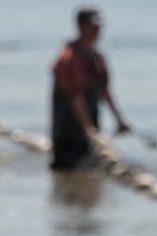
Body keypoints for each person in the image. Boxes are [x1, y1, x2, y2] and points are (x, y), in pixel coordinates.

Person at [49, 5, 131, 170]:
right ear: (80, 27)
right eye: (92, 26)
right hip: (67, 134)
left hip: (90, 133)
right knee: (69, 171)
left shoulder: (97, 58)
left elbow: (105, 92)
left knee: (91, 174)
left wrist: (119, 120)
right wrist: (90, 131)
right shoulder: (67, 59)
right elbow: (75, 98)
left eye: (98, 27)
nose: (96, 31)